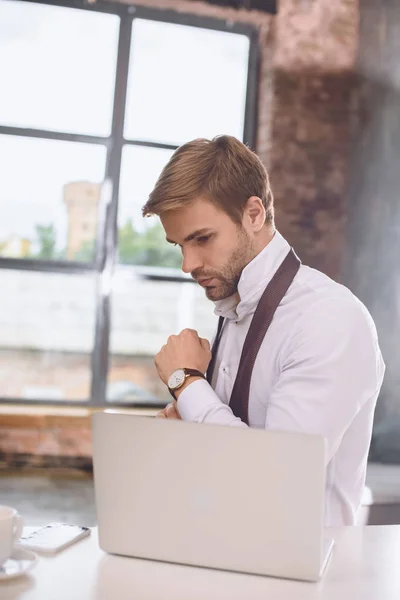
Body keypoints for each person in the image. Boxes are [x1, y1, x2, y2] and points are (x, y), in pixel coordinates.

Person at [142, 135, 385, 527]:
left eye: (202, 239)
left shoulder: (328, 319)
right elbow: (229, 459)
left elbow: (276, 476)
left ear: (254, 214)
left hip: (304, 579)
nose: (188, 264)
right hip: (223, 555)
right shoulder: (234, 308)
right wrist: (187, 437)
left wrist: (185, 383)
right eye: (179, 246)